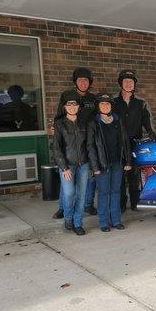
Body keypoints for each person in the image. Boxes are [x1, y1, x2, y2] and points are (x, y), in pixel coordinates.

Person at [52, 67, 98, 220]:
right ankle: (63, 208)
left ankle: (88, 204)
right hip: (69, 140)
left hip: (86, 140)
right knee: (67, 185)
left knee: (88, 180)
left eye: (86, 80)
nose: (83, 82)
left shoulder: (93, 99)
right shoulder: (67, 96)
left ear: (89, 82)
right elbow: (59, 116)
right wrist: (57, 129)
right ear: (75, 82)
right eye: (80, 80)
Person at [87, 93, 132, 232]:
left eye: (108, 104)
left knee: (116, 191)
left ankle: (116, 220)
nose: (105, 106)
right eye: (102, 104)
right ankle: (103, 222)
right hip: (102, 164)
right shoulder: (93, 123)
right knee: (103, 193)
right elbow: (90, 146)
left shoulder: (118, 121)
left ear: (111, 106)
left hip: (117, 163)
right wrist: (95, 167)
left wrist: (128, 160)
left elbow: (125, 142)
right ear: (98, 106)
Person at [113, 69, 156, 212]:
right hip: (117, 144)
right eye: (125, 81)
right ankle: (120, 204)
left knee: (134, 174)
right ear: (121, 83)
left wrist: (151, 133)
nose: (128, 84)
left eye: (131, 81)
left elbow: (147, 121)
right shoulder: (112, 102)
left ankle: (135, 202)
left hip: (135, 143)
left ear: (134, 84)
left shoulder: (141, 103)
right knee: (118, 174)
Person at [52, 90, 89, 236]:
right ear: (65, 107)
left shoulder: (84, 123)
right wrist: (64, 167)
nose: (72, 106)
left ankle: (78, 222)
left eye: (75, 104)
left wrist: (92, 164)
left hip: (84, 165)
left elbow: (89, 145)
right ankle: (68, 218)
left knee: (81, 195)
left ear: (79, 107)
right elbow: (56, 148)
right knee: (69, 193)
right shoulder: (59, 124)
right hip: (67, 165)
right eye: (69, 104)